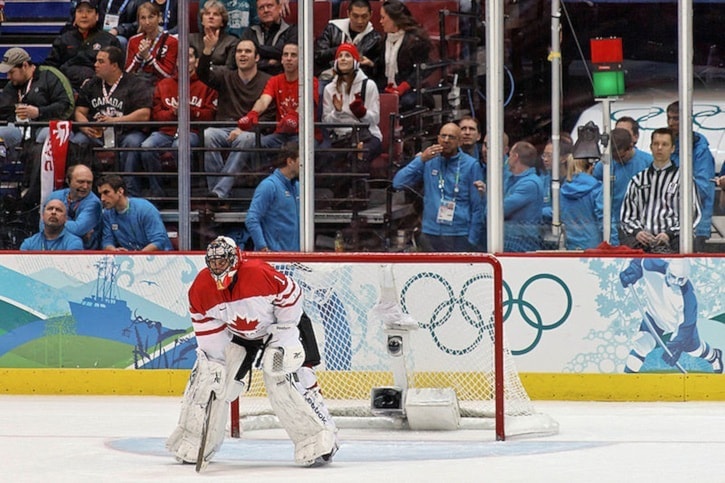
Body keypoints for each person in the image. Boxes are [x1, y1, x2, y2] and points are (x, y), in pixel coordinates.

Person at [166, 236, 338, 467]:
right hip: (241, 335)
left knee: (285, 378)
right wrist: (217, 364)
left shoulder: (258, 272)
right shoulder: (200, 288)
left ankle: (320, 438)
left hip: (282, 324)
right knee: (209, 379)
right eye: (213, 262)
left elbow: (292, 294)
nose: (217, 267)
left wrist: (284, 335)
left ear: (235, 259)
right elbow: (207, 329)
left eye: (222, 261)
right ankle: (194, 440)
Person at [72, 46, 152, 196]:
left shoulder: (134, 83)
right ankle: (83, 191)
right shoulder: (91, 84)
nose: (95, 65)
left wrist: (116, 120)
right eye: (96, 61)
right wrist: (84, 126)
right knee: (78, 141)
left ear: (114, 66)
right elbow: (79, 111)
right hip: (97, 134)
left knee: (133, 143)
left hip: (125, 133)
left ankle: (130, 191)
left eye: (101, 61)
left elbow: (144, 114)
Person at [198, 39, 273, 199]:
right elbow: (202, 74)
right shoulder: (226, 77)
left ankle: (219, 194)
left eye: (247, 51)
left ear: (257, 57)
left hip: (253, 131)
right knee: (208, 135)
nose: (242, 55)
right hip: (225, 128)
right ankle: (218, 193)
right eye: (239, 51)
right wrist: (207, 50)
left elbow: (269, 114)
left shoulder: (267, 80)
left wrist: (245, 128)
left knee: (245, 139)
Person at [619, 258, 722, 373]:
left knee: (694, 350)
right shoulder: (652, 265)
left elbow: (686, 327)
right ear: (668, 270)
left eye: (681, 279)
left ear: (687, 277)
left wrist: (677, 345)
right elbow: (640, 261)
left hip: (676, 326)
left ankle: (714, 356)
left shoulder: (689, 298)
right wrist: (634, 270)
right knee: (642, 343)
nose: (676, 282)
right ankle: (627, 378)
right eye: (673, 277)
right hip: (654, 317)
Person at [140, 45, 217, 198]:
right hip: (166, 131)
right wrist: (173, 113)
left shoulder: (207, 84)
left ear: (196, 61)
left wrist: (190, 111)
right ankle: (158, 194)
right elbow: (156, 116)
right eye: (181, 57)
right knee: (147, 146)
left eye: (189, 56)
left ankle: (187, 193)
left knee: (180, 146)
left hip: (192, 131)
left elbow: (210, 116)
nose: (185, 61)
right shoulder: (163, 85)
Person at [392, 122, 483, 252]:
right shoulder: (429, 161)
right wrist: (420, 160)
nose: (446, 140)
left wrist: (472, 240)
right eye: (443, 136)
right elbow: (398, 183)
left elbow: (477, 206)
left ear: (459, 141)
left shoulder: (471, 165)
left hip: (459, 234)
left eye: (451, 137)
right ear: (438, 139)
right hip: (431, 232)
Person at [236, 42, 319, 168]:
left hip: (304, 134)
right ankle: (264, 180)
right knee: (256, 145)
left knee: (296, 149)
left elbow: (307, 102)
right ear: (281, 59)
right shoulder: (275, 80)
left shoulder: (310, 80)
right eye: (285, 55)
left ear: (301, 59)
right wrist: (253, 114)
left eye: (293, 55)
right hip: (281, 133)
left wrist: (294, 115)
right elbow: (264, 100)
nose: (289, 58)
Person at [620, 128, 701, 254]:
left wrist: (669, 234)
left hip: (675, 240)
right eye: (656, 144)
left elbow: (693, 214)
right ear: (651, 147)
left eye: (664, 144)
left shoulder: (684, 179)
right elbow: (627, 216)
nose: (659, 148)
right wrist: (638, 232)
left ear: (672, 148)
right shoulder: (638, 179)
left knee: (684, 244)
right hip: (643, 242)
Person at [319, 43, 382, 200]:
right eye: (340, 56)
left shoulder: (369, 85)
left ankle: (359, 198)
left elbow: (374, 119)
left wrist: (361, 112)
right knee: (330, 157)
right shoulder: (329, 89)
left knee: (358, 154)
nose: (343, 59)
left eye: (347, 56)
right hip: (342, 136)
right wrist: (337, 112)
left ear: (355, 61)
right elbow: (326, 122)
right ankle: (341, 197)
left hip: (367, 135)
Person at [0, 46, 74, 176]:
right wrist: (13, 111)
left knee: (49, 137)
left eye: (11, 72)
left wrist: (39, 112)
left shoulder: (50, 76)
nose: (8, 77)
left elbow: (65, 105)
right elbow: (3, 109)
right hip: (18, 128)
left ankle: (39, 186)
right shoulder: (12, 85)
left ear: (24, 66)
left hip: (44, 125)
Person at [666, 101, 716, 252]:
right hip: (669, 222)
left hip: (695, 222)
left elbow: (703, 187)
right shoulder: (669, 144)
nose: (671, 123)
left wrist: (671, 194)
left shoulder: (699, 149)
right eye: (668, 118)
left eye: (675, 119)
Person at [44, 0, 122, 92]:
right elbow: (51, 67)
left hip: (99, 89)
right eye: (80, 11)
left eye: (89, 11)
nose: (84, 16)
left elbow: (117, 70)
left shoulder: (109, 40)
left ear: (97, 16)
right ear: (75, 16)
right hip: (67, 88)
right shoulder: (63, 39)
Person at [592, 127, 650, 246]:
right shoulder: (604, 165)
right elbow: (596, 193)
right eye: (614, 158)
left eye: (621, 157)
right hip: (613, 225)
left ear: (631, 147)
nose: (617, 161)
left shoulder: (648, 162)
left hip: (641, 227)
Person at [375, 0, 431, 113]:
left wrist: (404, 86)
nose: (380, 21)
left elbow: (423, 69)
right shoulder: (384, 40)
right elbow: (381, 69)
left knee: (406, 102)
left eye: (383, 18)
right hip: (389, 87)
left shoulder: (415, 41)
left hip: (412, 89)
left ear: (394, 19)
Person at [245, 143, 300, 251]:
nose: (306, 164)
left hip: (294, 257)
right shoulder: (269, 186)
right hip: (274, 257)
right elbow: (252, 218)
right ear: (290, 161)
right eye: (301, 160)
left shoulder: (298, 187)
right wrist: (262, 246)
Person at [97, 174, 173, 251]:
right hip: (131, 258)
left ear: (120, 191)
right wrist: (114, 251)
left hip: (161, 259)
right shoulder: (107, 214)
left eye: (106, 192)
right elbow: (107, 241)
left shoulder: (145, 209)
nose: (102, 198)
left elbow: (158, 241)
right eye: (101, 194)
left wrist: (137, 257)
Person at [313, 0, 383, 80]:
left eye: (364, 16)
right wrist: (343, 49)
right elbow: (318, 55)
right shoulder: (332, 29)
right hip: (329, 77)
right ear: (348, 14)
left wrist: (371, 64)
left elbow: (378, 71)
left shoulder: (375, 39)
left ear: (370, 15)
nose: (360, 21)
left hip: (358, 80)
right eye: (355, 16)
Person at [43, 164, 103, 250]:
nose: (85, 186)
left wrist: (53, 223)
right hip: (53, 246)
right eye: (80, 182)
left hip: (84, 252)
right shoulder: (55, 196)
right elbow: (43, 224)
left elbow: (78, 229)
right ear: (68, 180)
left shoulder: (94, 203)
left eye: (89, 182)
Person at [503, 141, 544, 252]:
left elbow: (498, 211)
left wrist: (488, 201)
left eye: (510, 155)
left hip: (521, 245)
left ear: (515, 157)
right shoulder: (511, 179)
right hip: (510, 242)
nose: (507, 158)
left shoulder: (530, 184)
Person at [124, 1, 178, 85]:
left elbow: (168, 75)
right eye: (143, 18)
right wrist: (139, 56)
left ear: (159, 18)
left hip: (161, 86)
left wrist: (148, 57)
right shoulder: (133, 40)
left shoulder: (171, 41)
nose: (147, 22)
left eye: (151, 17)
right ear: (139, 21)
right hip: (138, 86)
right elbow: (127, 73)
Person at [239, 0, 298, 75]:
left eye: (269, 6)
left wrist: (256, 48)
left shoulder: (291, 30)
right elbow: (242, 60)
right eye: (261, 8)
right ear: (257, 12)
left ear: (279, 7)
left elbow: (283, 53)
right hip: (254, 80)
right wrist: (269, 63)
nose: (266, 10)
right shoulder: (249, 32)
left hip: (281, 79)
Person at [559, 157, 603, 250]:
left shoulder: (562, 190)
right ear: (591, 167)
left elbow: (557, 213)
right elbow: (604, 217)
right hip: (594, 244)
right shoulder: (597, 188)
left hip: (569, 243)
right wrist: (614, 245)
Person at [189, 0, 240, 70]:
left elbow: (229, 68)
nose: (211, 17)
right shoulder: (190, 39)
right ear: (202, 21)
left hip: (221, 80)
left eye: (216, 14)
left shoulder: (232, 42)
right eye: (207, 14)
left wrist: (206, 67)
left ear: (222, 22)